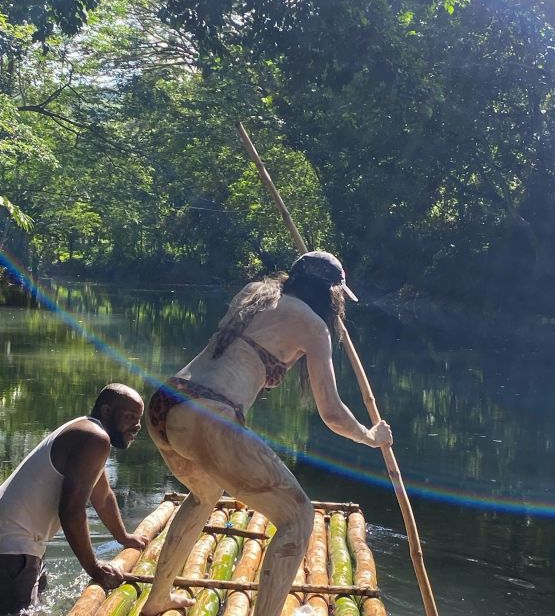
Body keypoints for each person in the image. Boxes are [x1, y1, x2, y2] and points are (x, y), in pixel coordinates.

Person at [142, 251, 393, 616]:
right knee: (298, 518)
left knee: (203, 495)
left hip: (167, 402)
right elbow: (333, 414)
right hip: (210, 415)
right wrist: (371, 437)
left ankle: (157, 600)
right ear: (330, 294)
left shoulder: (255, 292)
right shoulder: (313, 325)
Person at [0, 383, 148, 615]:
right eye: (130, 417)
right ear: (107, 411)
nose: (137, 426)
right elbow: (71, 511)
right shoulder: (94, 437)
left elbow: (103, 496)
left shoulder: (88, 431)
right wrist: (95, 568)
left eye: (139, 419)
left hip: (24, 545)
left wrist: (123, 537)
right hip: (11, 549)